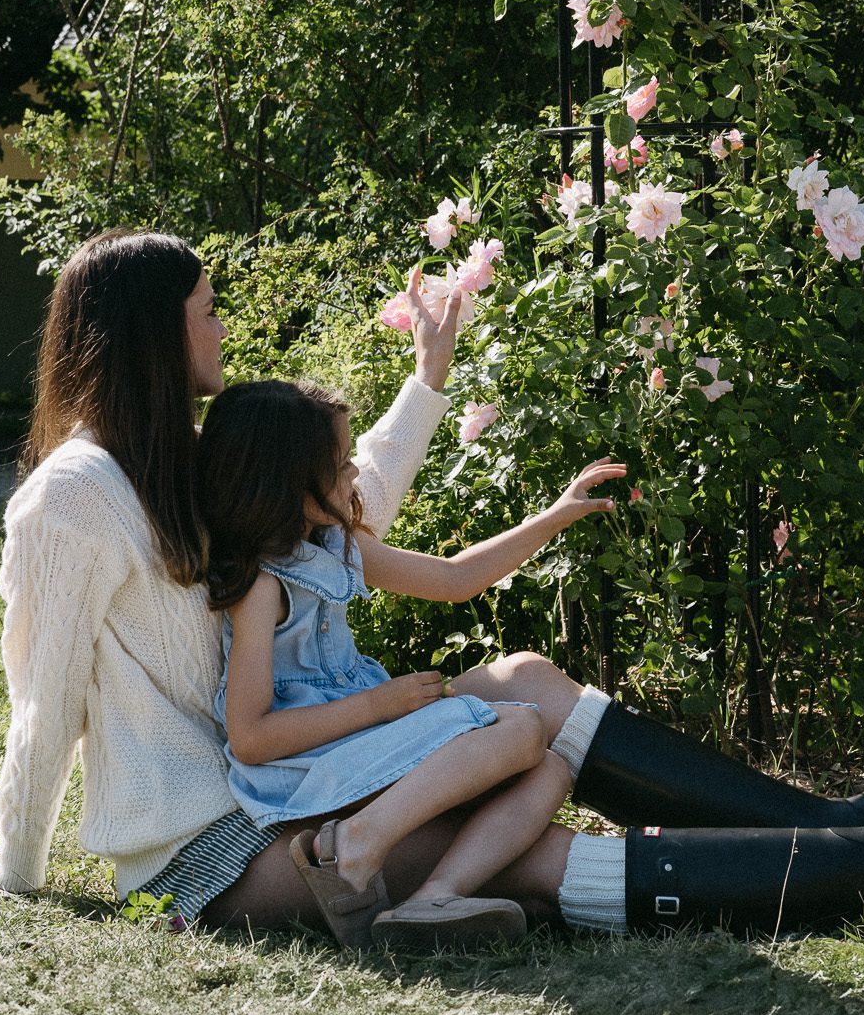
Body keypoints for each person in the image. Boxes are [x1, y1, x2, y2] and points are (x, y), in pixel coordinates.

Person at [0, 227, 864, 938]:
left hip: (301, 774)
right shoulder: (74, 497)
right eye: (207, 309)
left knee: (526, 680)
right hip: (218, 839)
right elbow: (43, 707)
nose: (222, 324)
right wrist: (12, 865)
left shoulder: (176, 451)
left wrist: (426, 384)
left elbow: (332, 506)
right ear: (149, 333)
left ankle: (843, 829)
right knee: (541, 855)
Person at [196, 375, 624, 947]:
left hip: (355, 745)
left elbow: (455, 578)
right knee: (523, 728)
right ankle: (349, 847)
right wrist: (377, 705)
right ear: (288, 484)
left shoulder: (335, 547)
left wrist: (555, 516)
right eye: (343, 463)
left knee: (552, 766)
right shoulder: (262, 586)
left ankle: (432, 900)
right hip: (307, 771)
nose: (354, 475)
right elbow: (249, 738)